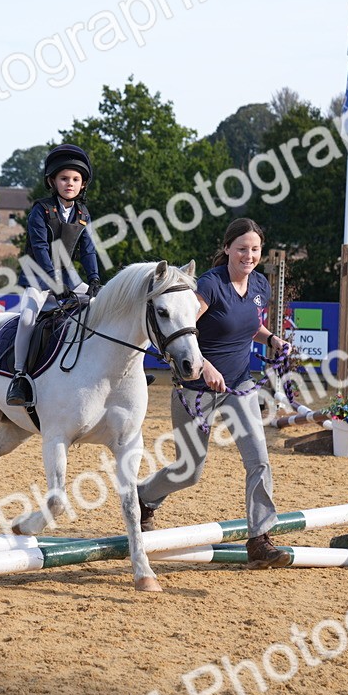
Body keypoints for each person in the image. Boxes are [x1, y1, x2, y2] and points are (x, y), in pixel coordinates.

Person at [136, 218, 292, 570]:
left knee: (259, 459)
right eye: (241, 248)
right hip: (195, 390)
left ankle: (260, 538)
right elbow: (183, 325)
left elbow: (248, 323)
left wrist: (271, 338)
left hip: (240, 385)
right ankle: (143, 497)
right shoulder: (209, 284)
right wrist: (204, 365)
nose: (248, 255)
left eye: (254, 249)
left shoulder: (260, 285)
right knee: (189, 470)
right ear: (227, 249)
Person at [6, 144, 102, 408]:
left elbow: (88, 249)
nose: (69, 183)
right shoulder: (41, 210)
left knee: (104, 305)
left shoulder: (83, 213)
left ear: (82, 184)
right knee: (27, 318)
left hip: (69, 280)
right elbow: (39, 249)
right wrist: (54, 284)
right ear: (52, 181)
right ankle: (19, 376)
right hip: (39, 278)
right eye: (64, 178)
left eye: (75, 179)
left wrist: (94, 279)